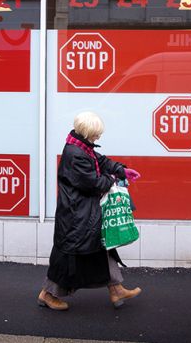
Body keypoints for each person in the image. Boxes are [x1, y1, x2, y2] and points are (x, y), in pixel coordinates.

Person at [38, 111, 142, 311]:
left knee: (104, 246)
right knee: (70, 257)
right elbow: (93, 183)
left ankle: (116, 289)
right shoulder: (75, 154)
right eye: (96, 134)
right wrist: (112, 179)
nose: (98, 137)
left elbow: (101, 161)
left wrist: (121, 170)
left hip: (84, 213)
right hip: (77, 216)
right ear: (86, 133)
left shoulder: (82, 147)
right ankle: (48, 294)